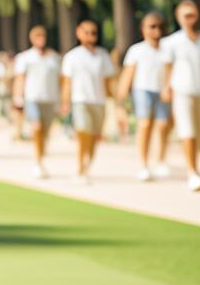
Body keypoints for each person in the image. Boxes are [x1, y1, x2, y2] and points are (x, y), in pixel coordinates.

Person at [162, 0, 200, 192]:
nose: (189, 19)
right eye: (185, 15)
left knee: (199, 133)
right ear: (178, 17)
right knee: (187, 131)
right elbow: (168, 67)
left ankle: (194, 167)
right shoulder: (171, 42)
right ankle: (192, 172)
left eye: (192, 15)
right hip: (182, 92)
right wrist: (166, 87)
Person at [60, 19, 116, 185]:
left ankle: (87, 165)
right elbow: (67, 83)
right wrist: (65, 102)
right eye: (87, 32)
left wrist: (115, 101)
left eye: (93, 32)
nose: (91, 35)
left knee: (94, 137)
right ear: (78, 32)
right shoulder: (72, 56)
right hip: (80, 100)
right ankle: (80, 168)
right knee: (83, 132)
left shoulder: (102, 56)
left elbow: (108, 81)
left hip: (98, 101)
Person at [118, 12, 172, 181]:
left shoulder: (168, 50)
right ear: (143, 29)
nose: (156, 30)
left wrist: (169, 88)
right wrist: (121, 100)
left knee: (163, 125)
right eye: (152, 26)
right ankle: (143, 164)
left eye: (160, 27)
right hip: (142, 91)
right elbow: (127, 75)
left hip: (163, 91)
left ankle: (161, 160)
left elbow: (171, 71)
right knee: (145, 125)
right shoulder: (136, 50)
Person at [13, 26, 61, 178]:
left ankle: (41, 157)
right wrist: (18, 96)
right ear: (32, 38)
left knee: (45, 133)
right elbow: (20, 78)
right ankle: (38, 162)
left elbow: (61, 80)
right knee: (36, 128)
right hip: (32, 98)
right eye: (37, 36)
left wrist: (62, 100)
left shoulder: (54, 58)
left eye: (42, 35)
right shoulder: (25, 57)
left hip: (50, 99)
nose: (41, 39)